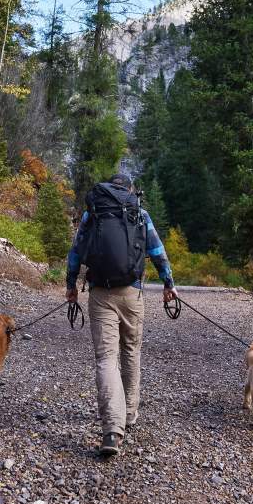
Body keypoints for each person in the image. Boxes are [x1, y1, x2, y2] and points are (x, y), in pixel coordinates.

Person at [65, 173, 177, 457]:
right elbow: (157, 250)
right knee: (130, 352)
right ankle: (129, 415)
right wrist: (168, 283)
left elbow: (76, 251)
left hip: (100, 292)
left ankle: (112, 431)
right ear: (129, 190)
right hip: (132, 293)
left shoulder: (95, 212)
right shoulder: (139, 212)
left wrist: (70, 286)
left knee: (106, 358)